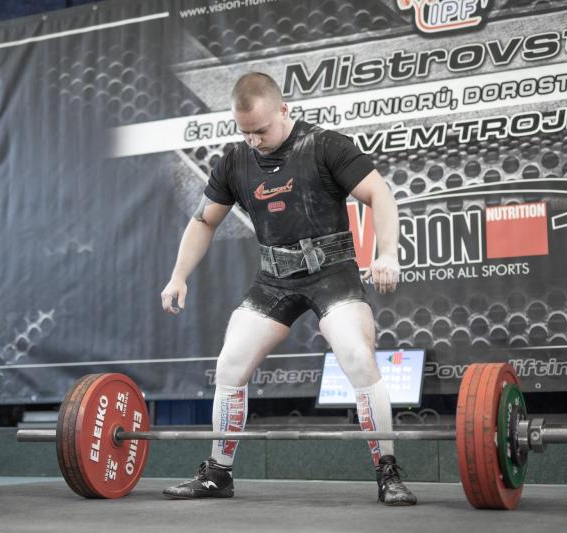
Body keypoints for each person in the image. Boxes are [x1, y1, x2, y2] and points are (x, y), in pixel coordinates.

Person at [159, 72, 416, 506]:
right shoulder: (234, 162)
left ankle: (387, 472)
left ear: (284, 110)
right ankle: (218, 473)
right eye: (245, 131)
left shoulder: (325, 146)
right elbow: (203, 220)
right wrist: (178, 275)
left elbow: (380, 194)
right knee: (230, 363)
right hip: (274, 279)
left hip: (332, 274)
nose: (253, 140)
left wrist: (387, 253)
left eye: (261, 130)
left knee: (357, 355)